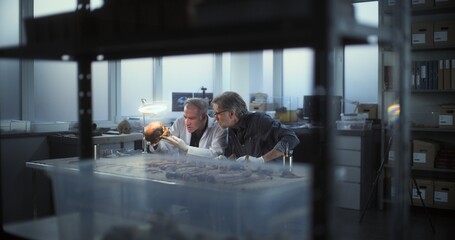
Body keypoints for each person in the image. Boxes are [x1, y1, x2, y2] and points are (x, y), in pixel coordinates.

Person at [211, 91, 300, 163]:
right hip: (252, 177)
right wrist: (226, 161)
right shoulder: (231, 128)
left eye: (217, 113)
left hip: (273, 175)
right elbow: (237, 155)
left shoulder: (259, 120)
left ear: (231, 113)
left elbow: (291, 138)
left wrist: (261, 160)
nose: (215, 117)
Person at [149, 97, 227, 158]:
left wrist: (187, 149)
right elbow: (166, 147)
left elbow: (216, 154)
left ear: (203, 117)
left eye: (192, 118)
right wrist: (155, 143)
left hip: (208, 172)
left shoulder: (218, 128)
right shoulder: (180, 122)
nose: (187, 122)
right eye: (185, 117)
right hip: (184, 170)